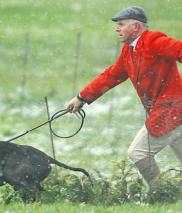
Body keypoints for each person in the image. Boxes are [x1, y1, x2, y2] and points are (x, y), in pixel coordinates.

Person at [67, 6, 182, 192]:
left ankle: (161, 192)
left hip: (172, 112)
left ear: (136, 26)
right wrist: (82, 97)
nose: (117, 28)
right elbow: (111, 76)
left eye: (121, 24)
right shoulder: (129, 51)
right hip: (171, 113)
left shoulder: (154, 40)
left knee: (138, 153)